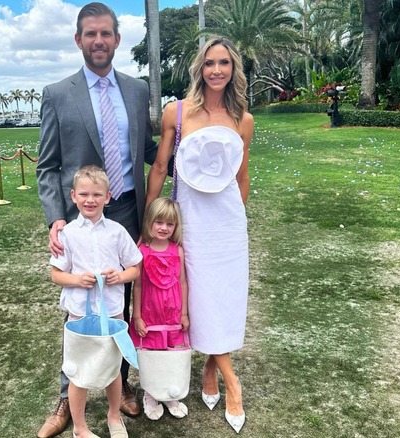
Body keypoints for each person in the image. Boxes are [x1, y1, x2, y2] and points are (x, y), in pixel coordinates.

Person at [35, 2, 163, 437]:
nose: (98, 41)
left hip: (126, 209)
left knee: (118, 302)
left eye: (105, 33)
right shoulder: (57, 93)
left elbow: (147, 149)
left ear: (117, 39)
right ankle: (66, 395)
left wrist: (191, 152)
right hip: (77, 217)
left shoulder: (137, 90)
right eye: (90, 34)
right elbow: (47, 165)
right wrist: (55, 217)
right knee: (77, 310)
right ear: (78, 40)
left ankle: (120, 385)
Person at [145, 36, 254, 434]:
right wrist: (148, 218)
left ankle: (211, 365)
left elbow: (240, 176)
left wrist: (234, 217)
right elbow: (159, 167)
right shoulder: (177, 112)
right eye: (210, 63)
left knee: (223, 297)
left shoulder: (244, 119)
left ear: (233, 69)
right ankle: (232, 382)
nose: (217, 70)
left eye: (224, 63)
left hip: (226, 224)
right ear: (199, 68)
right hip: (190, 219)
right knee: (198, 295)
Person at [49, 165, 142, 438]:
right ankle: (80, 428)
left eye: (97, 194)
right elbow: (56, 275)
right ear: (73, 196)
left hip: (112, 312)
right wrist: (77, 280)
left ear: (108, 196)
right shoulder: (67, 235)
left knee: (112, 369)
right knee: (79, 372)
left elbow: (136, 267)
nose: (90, 200)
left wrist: (120, 276)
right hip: (79, 314)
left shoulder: (116, 231)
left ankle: (114, 416)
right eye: (84, 194)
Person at [128, 197, 189, 420]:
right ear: (150, 222)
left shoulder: (178, 251)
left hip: (172, 314)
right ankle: (151, 393)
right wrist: (137, 316)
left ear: (176, 226)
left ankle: (169, 392)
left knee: (171, 353)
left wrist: (183, 313)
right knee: (151, 354)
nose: (164, 228)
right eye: (159, 222)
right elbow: (139, 285)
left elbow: (183, 282)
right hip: (150, 314)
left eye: (170, 224)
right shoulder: (141, 251)